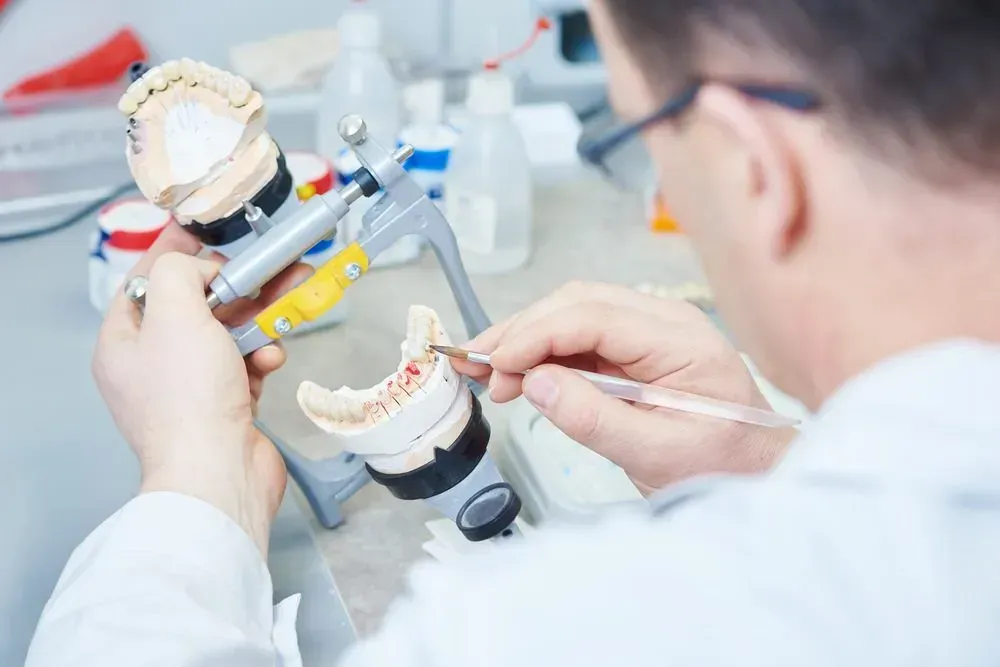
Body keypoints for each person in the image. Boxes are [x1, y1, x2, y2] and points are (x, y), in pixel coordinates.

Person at [25, 0, 1000, 664]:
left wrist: (190, 483)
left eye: (628, 133)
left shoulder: (533, 630)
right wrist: (759, 464)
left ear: (754, 167)